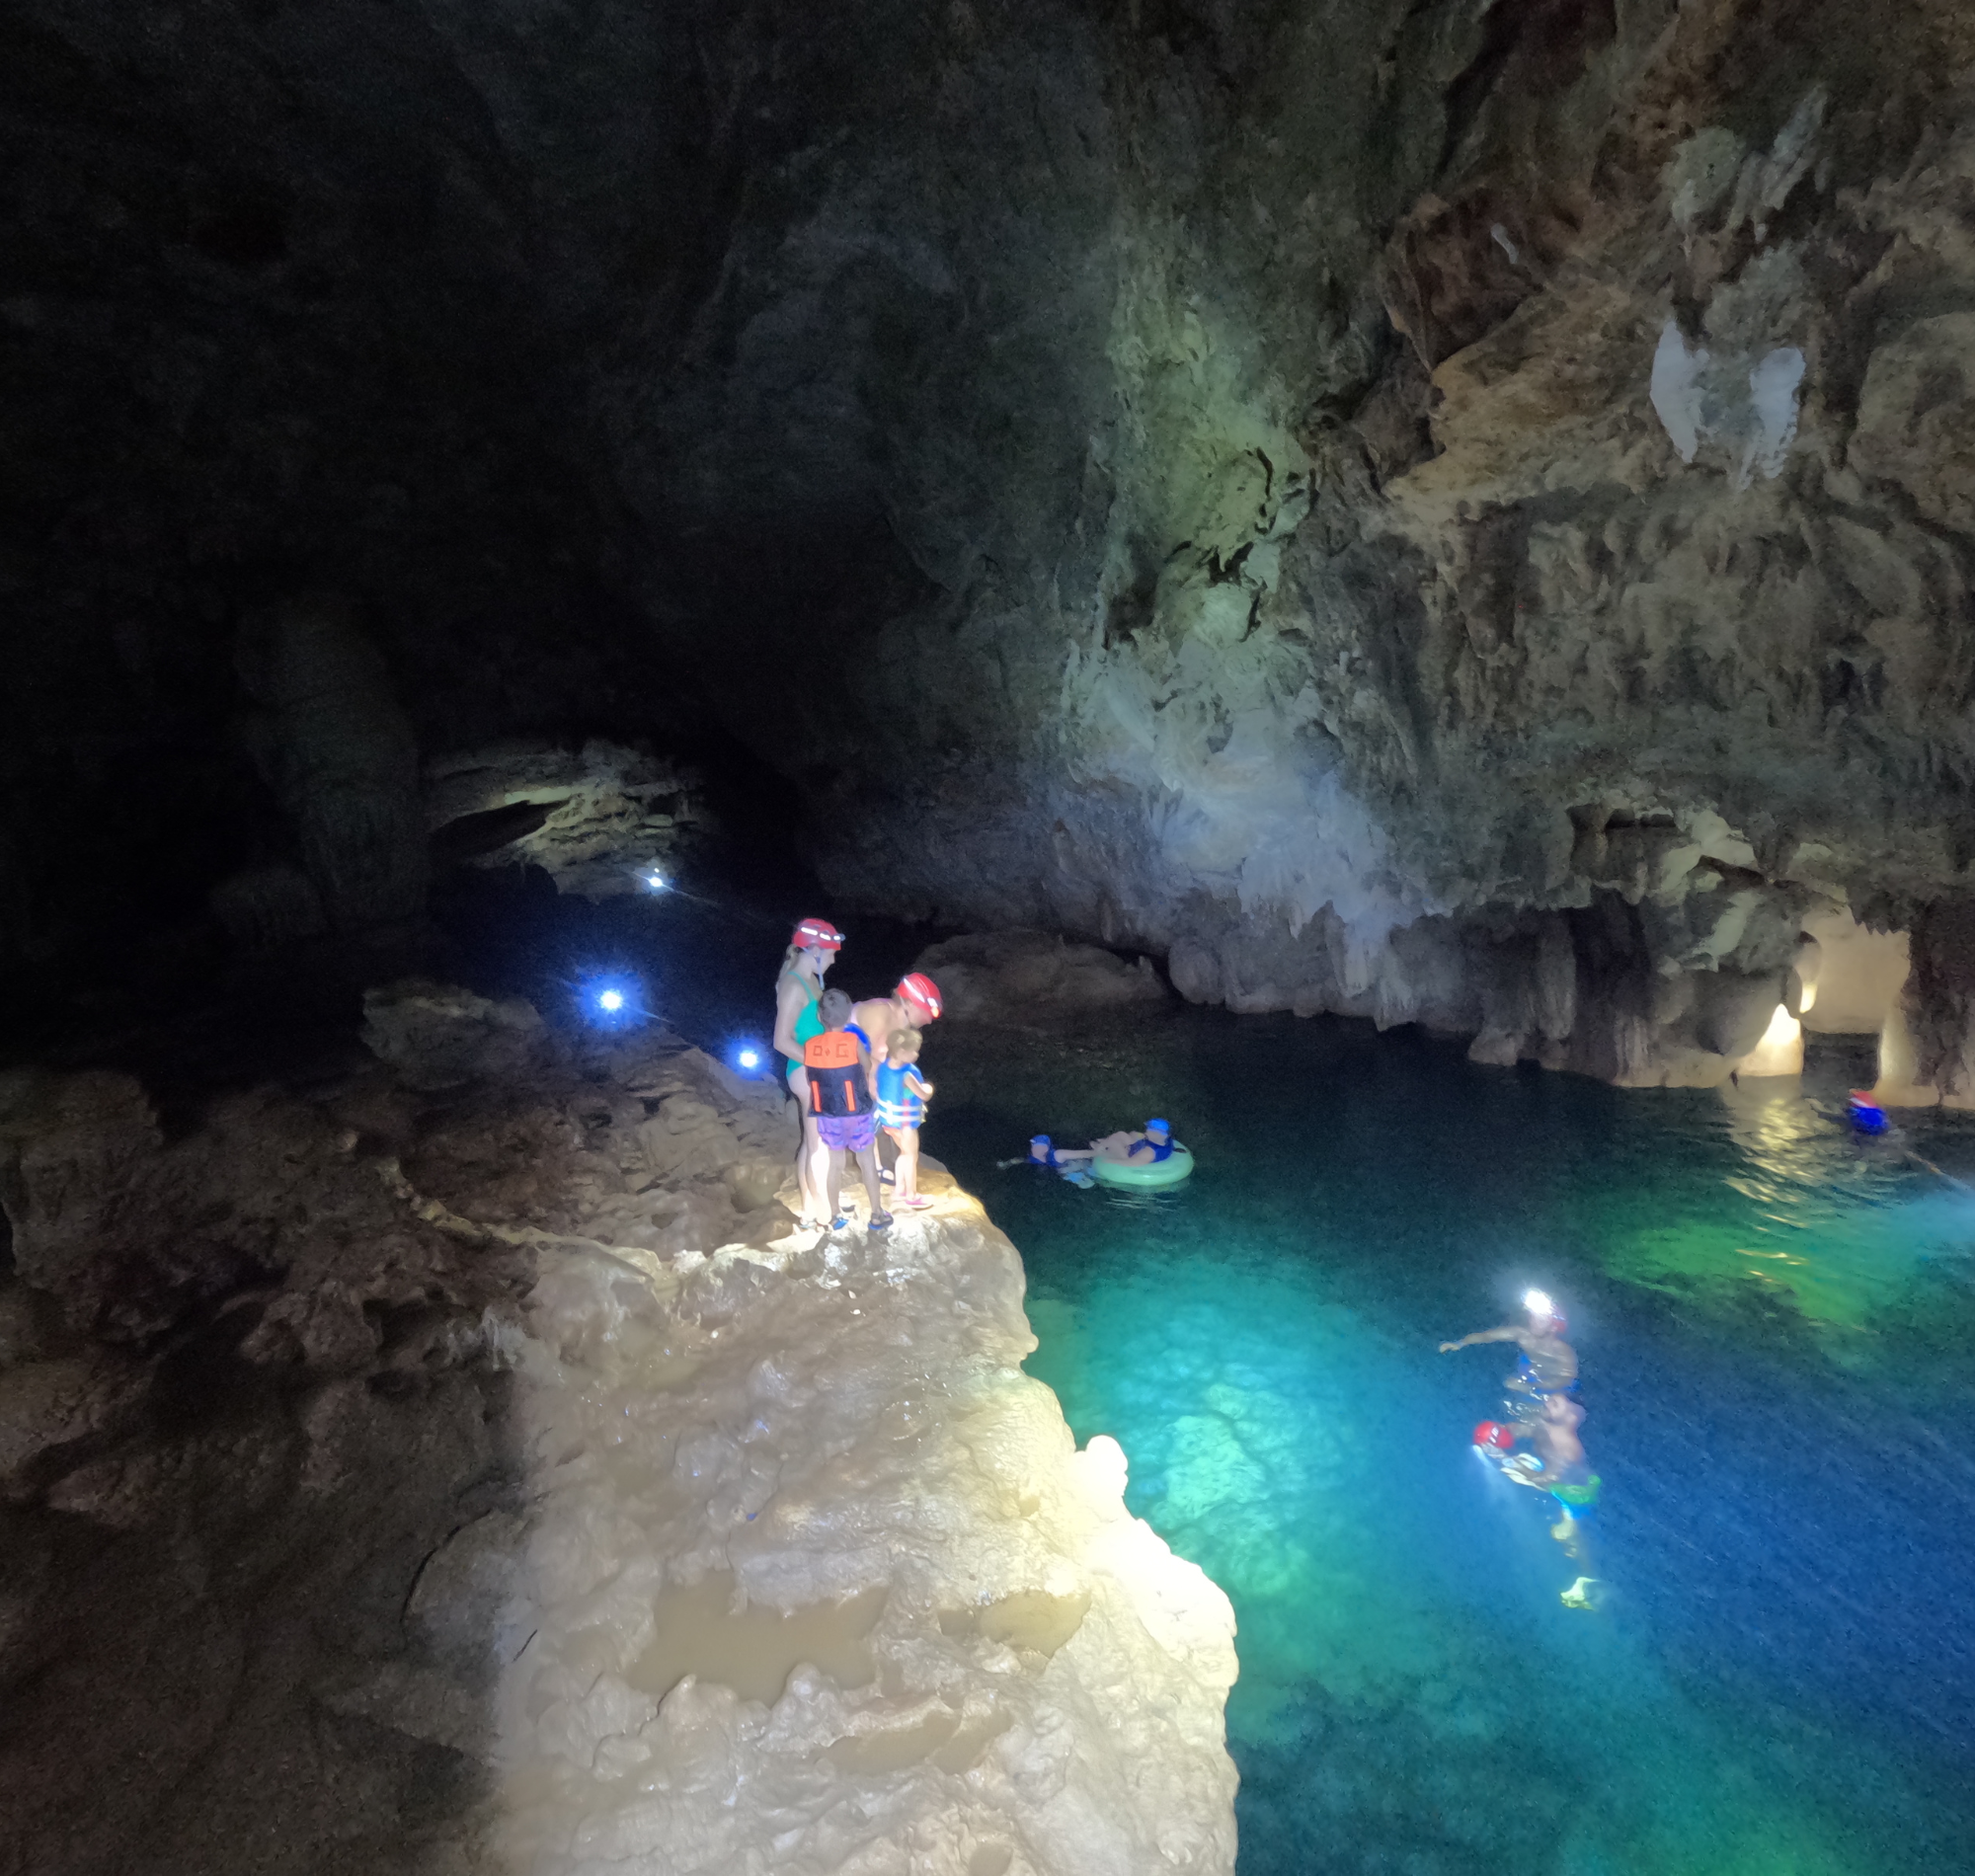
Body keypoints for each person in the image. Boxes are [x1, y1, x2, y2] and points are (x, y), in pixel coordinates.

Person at [773, 917, 844, 1229]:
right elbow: (781, 1040)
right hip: (805, 1071)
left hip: (814, 1068)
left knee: (812, 1142)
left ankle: (808, 1210)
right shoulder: (793, 985)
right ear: (815, 949)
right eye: (830, 953)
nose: (832, 959)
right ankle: (826, 1215)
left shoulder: (812, 981)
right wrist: (818, 1062)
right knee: (820, 1147)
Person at [801, 988, 890, 1233]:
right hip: (857, 1113)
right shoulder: (853, 1042)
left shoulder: (811, 1046)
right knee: (867, 1162)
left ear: (820, 1017)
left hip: (828, 1116)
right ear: (849, 1014)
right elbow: (868, 1065)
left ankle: (835, 1215)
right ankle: (877, 1215)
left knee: (835, 1164)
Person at [1439, 1289, 1578, 1415]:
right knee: (1506, 1390)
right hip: (1532, 1372)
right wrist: (1460, 1343)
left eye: (1540, 1320)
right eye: (1533, 1316)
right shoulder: (1522, 1335)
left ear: (1553, 1328)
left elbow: (1565, 1379)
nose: (1533, 1322)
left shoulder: (1563, 1351)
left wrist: (1529, 1387)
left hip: (1556, 1389)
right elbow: (1487, 1336)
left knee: (1541, 1416)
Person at [874, 1030, 934, 1209]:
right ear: (901, 1052)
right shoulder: (906, 1074)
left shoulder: (883, 1067)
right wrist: (929, 1088)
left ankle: (899, 1190)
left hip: (890, 1123)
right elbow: (923, 1094)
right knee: (911, 1156)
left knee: (904, 1153)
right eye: (913, 1051)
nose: (916, 1054)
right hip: (905, 1124)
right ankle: (911, 1195)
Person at [848, 972, 944, 1069]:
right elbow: (864, 1061)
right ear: (910, 1003)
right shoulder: (879, 1011)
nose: (929, 1021)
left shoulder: (903, 1028)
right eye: (925, 1013)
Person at [1090, 1118, 1177, 1165]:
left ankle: (1102, 1148)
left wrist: (1108, 1161)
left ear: (1156, 1134)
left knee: (1114, 1142)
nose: (1146, 1131)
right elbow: (1143, 1136)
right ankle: (1104, 1143)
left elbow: (1131, 1163)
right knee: (1122, 1134)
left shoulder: (1149, 1152)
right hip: (1137, 1148)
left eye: (1149, 1130)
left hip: (1128, 1156)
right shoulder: (1166, 1139)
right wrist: (1136, 1136)